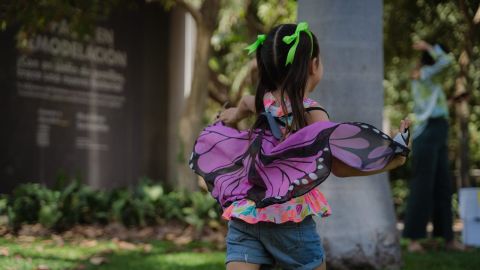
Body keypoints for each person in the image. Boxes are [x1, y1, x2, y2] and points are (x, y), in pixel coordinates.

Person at [189, 22, 411, 270]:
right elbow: (338, 166)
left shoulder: (265, 100)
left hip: (246, 214)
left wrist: (232, 116)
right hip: (289, 220)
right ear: (313, 65)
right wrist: (395, 159)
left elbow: (245, 101)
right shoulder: (312, 114)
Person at [403, 40, 464, 252]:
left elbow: (432, 107)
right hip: (427, 133)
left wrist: (452, 102)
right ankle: (413, 241)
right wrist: (429, 47)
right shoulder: (424, 73)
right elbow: (447, 62)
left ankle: (448, 239)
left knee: (443, 186)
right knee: (423, 186)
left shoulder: (431, 79)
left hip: (438, 130)